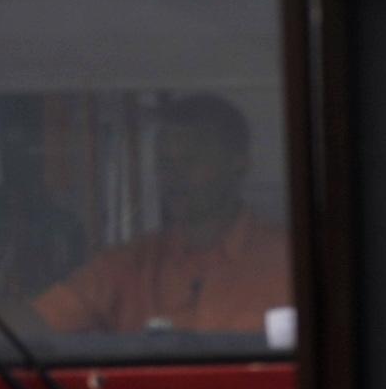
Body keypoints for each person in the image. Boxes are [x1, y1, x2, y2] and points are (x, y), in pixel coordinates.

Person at [32, 94, 288, 337]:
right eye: (165, 162)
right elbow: (33, 328)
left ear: (239, 163)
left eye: (190, 160)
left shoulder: (290, 262)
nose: (174, 175)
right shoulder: (128, 266)